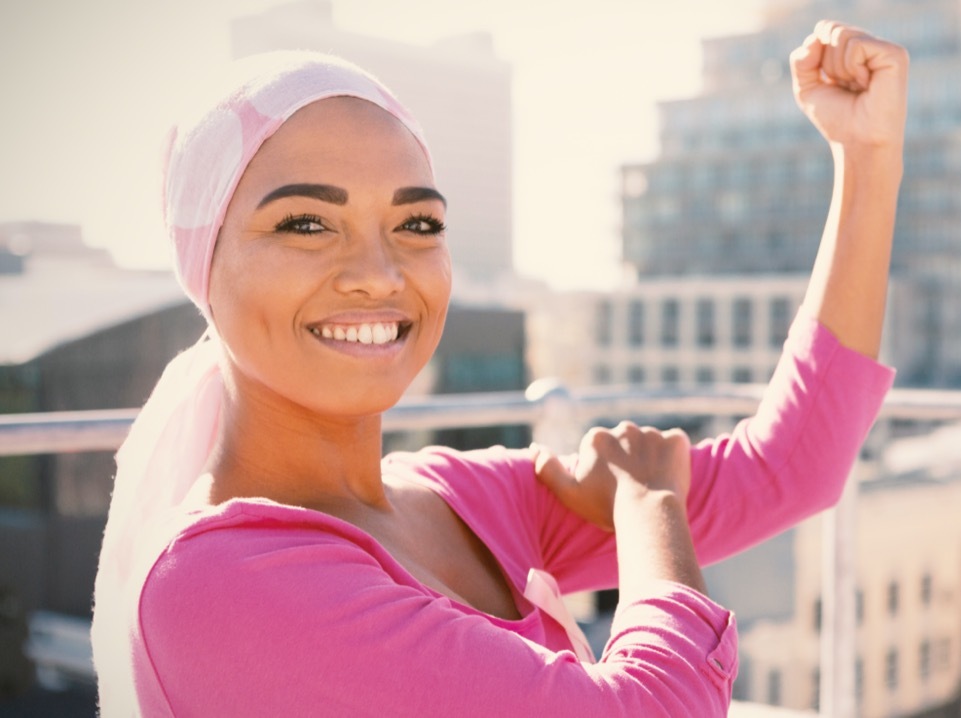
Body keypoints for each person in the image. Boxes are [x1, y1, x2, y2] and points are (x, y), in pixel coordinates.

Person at [91, 20, 907, 717]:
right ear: (204, 264)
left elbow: (788, 468)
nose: (379, 273)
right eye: (306, 223)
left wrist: (867, 156)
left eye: (416, 224)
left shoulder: (460, 498)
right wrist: (650, 503)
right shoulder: (219, 581)